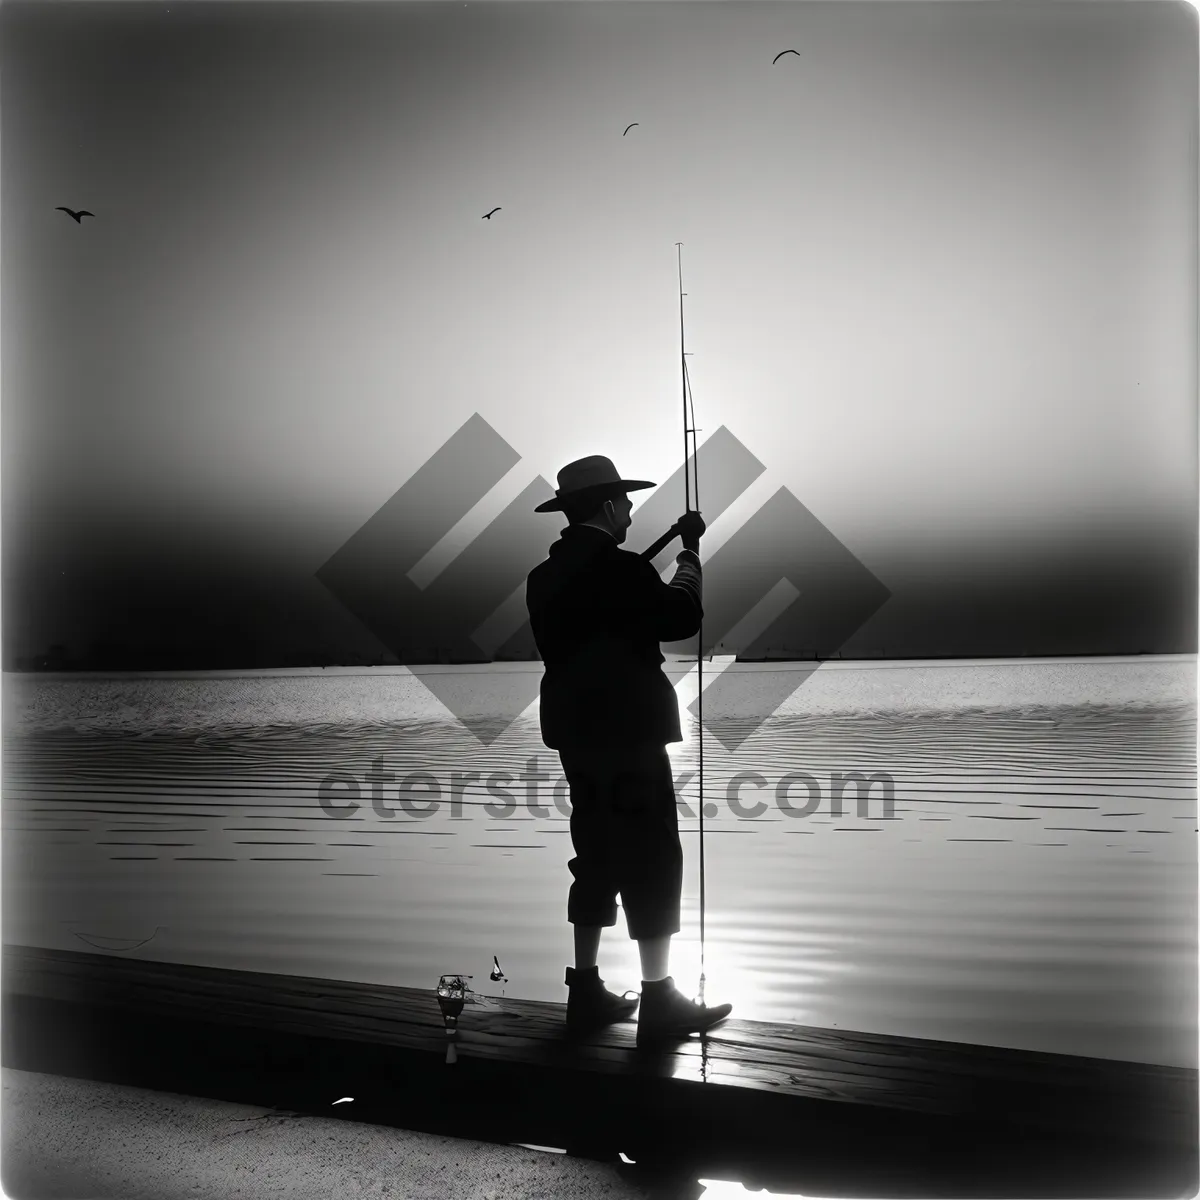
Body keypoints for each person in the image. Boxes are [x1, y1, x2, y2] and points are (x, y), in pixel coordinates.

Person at [526, 454, 733, 1047]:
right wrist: (690, 556)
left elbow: (600, 612)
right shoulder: (620, 571)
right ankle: (659, 998)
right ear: (611, 506)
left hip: (575, 732)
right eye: (625, 502)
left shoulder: (545, 578)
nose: (632, 511)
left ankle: (584, 989)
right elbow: (681, 616)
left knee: (594, 852)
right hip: (632, 732)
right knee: (651, 856)